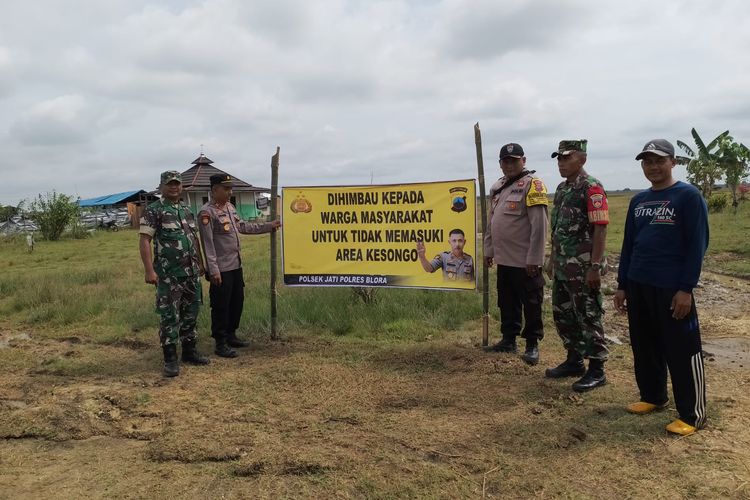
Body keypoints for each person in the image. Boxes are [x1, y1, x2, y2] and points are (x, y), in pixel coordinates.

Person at [614, 139, 709, 436]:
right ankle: (653, 396)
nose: (653, 167)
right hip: (639, 284)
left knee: (681, 350)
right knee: (645, 346)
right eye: (647, 162)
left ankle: (693, 414)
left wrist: (686, 288)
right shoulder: (638, 201)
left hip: (671, 288)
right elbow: (629, 245)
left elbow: (697, 245)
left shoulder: (688, 196)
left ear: (673, 163)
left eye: (659, 161)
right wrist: (622, 285)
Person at [545, 140, 609, 392]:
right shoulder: (562, 189)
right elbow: (558, 229)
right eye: (558, 158)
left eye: (566, 158)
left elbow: (600, 227)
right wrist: (552, 257)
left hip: (583, 268)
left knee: (588, 315)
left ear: (581, 159)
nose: (560, 163)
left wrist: (595, 266)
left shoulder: (591, 188)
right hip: (562, 266)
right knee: (564, 314)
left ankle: (597, 368)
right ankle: (574, 360)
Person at [198, 174, 281, 358]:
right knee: (221, 305)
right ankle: (220, 343)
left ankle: (231, 335)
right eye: (226, 189)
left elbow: (242, 227)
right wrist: (213, 270)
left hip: (236, 265)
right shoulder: (206, 212)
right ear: (214, 190)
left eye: (230, 188)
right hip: (221, 268)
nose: (230, 192)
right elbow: (208, 244)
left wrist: (269, 226)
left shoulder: (230, 207)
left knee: (237, 302)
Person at [482, 142, 549, 365]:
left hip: (524, 260)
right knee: (507, 300)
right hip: (504, 258)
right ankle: (508, 339)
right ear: (500, 164)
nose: (509, 164)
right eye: (505, 161)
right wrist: (488, 250)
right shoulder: (498, 187)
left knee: (531, 302)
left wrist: (535, 259)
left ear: (524, 161)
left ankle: (532, 345)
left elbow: (539, 226)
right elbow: (492, 223)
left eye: (514, 160)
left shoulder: (533, 185)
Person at [138, 170, 210, 377]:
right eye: (170, 184)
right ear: (162, 186)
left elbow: (193, 238)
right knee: (169, 316)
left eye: (177, 183)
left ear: (182, 186)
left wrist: (201, 263)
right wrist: (149, 270)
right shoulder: (154, 210)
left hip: (191, 273)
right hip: (169, 275)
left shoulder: (187, 209)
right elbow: (144, 240)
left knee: (191, 312)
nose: (174, 187)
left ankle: (189, 351)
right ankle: (170, 359)